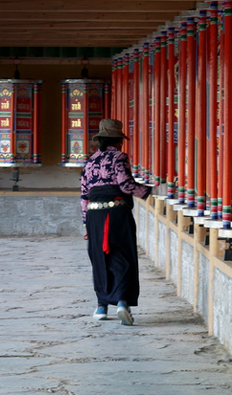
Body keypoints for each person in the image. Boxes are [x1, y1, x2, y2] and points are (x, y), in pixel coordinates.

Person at [80, 119, 152, 325]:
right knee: (121, 256)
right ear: (119, 141)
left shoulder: (90, 161)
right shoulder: (119, 157)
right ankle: (122, 302)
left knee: (99, 258)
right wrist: (150, 191)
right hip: (116, 212)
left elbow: (84, 195)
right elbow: (126, 185)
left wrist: (86, 224)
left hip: (94, 215)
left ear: (100, 141)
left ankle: (101, 306)